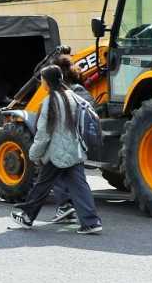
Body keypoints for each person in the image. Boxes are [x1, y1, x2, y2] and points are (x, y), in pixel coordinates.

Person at [8, 65, 102, 234]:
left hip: (56, 154)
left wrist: (33, 153)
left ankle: (28, 217)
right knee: (80, 187)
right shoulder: (73, 96)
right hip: (75, 150)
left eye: (42, 79)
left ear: (47, 82)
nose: (41, 83)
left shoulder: (49, 101)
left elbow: (43, 134)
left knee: (42, 186)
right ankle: (91, 222)